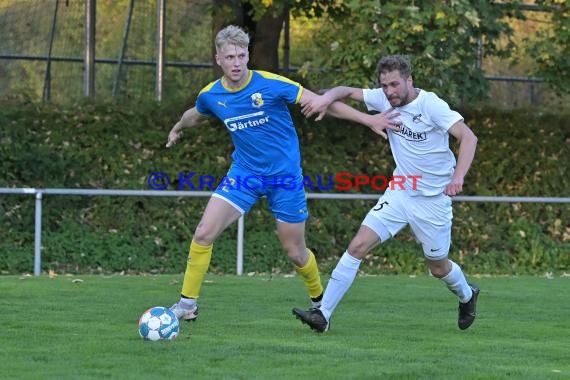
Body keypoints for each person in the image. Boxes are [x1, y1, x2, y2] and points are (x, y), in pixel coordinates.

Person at [164, 25, 396, 324]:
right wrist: (177, 128)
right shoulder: (212, 95)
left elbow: (321, 102)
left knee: (295, 252)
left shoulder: (271, 85)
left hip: (284, 179)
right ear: (218, 59)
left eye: (242, 55)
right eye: (230, 56)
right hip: (244, 175)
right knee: (203, 233)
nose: (237, 62)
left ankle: (320, 300)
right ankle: (186, 304)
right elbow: (194, 114)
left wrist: (368, 119)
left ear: (248, 56)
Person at [292, 54, 480, 332]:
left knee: (438, 268)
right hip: (400, 192)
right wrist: (325, 98)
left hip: (433, 201)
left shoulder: (431, 105)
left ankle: (467, 294)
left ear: (409, 80)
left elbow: (469, 137)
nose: (389, 91)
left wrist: (458, 177)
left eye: (394, 84)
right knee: (357, 245)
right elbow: (344, 92)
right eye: (384, 85)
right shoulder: (383, 99)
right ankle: (323, 315)